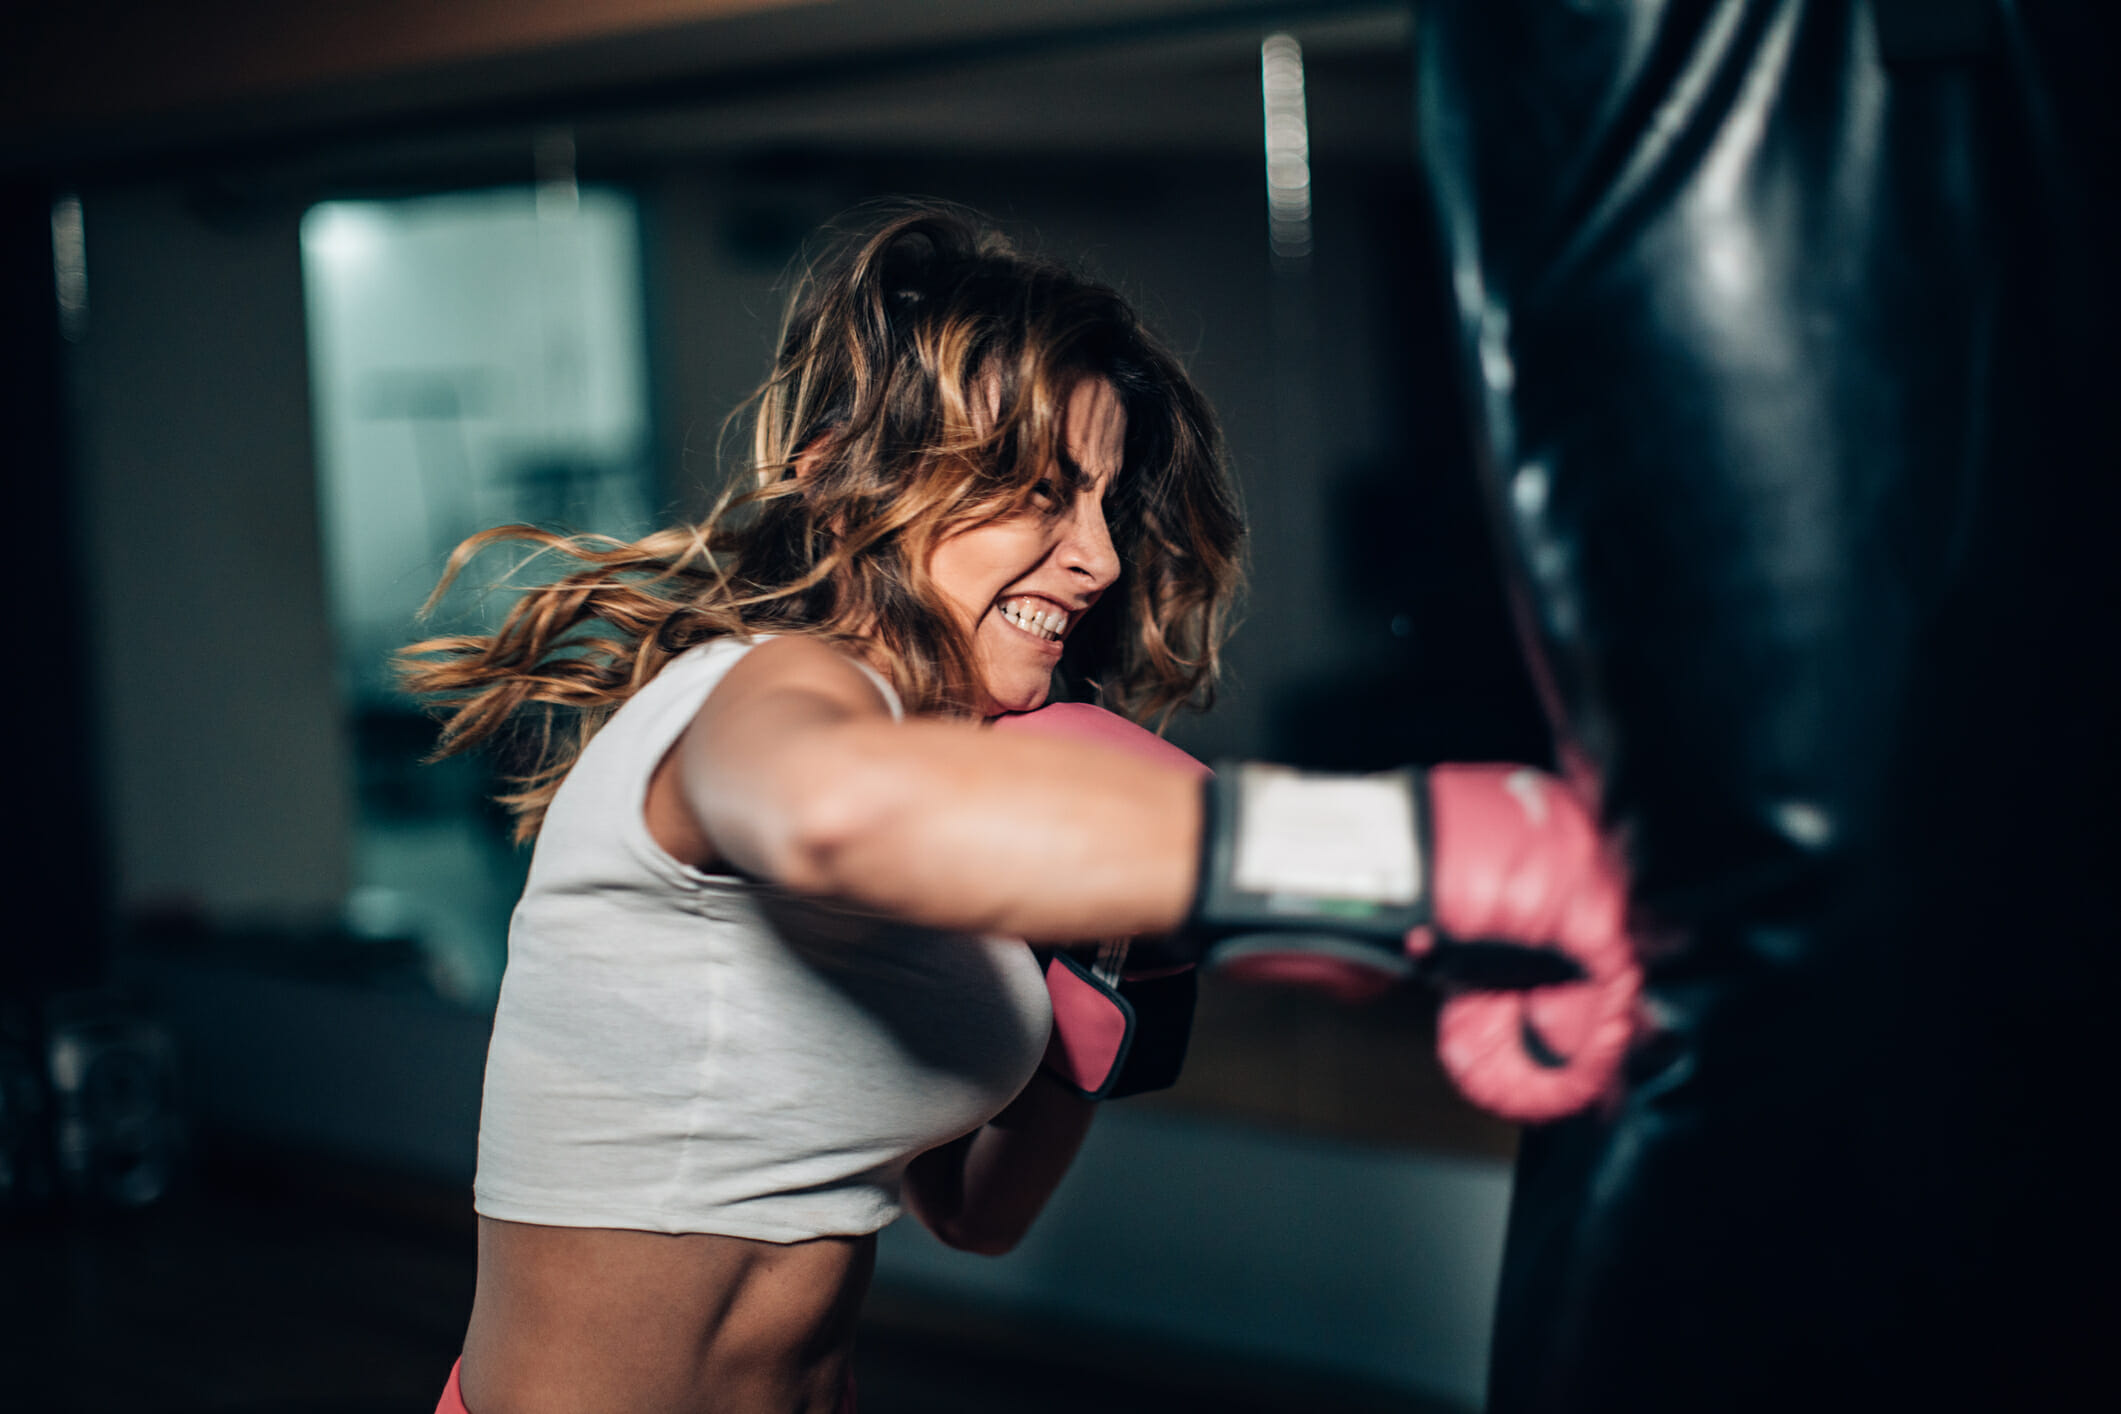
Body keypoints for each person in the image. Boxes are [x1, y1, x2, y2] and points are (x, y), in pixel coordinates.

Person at [403, 201, 1245, 1414]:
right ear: (843, 478)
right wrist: (1216, 848)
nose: (1100, 557)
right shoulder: (776, 686)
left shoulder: (951, 770)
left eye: (1105, 503)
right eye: (1043, 493)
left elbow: (976, 1214)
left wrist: (1125, 989)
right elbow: (820, 809)